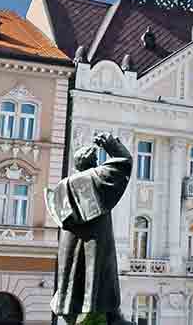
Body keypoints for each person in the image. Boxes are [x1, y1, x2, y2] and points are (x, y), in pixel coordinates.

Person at [50, 132, 133, 324]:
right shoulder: (97, 177)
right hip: (96, 239)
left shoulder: (64, 185)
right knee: (104, 275)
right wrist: (111, 144)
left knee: (72, 278)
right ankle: (113, 317)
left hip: (70, 242)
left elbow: (57, 211)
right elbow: (124, 161)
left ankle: (71, 318)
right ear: (92, 162)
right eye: (96, 159)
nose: (97, 162)